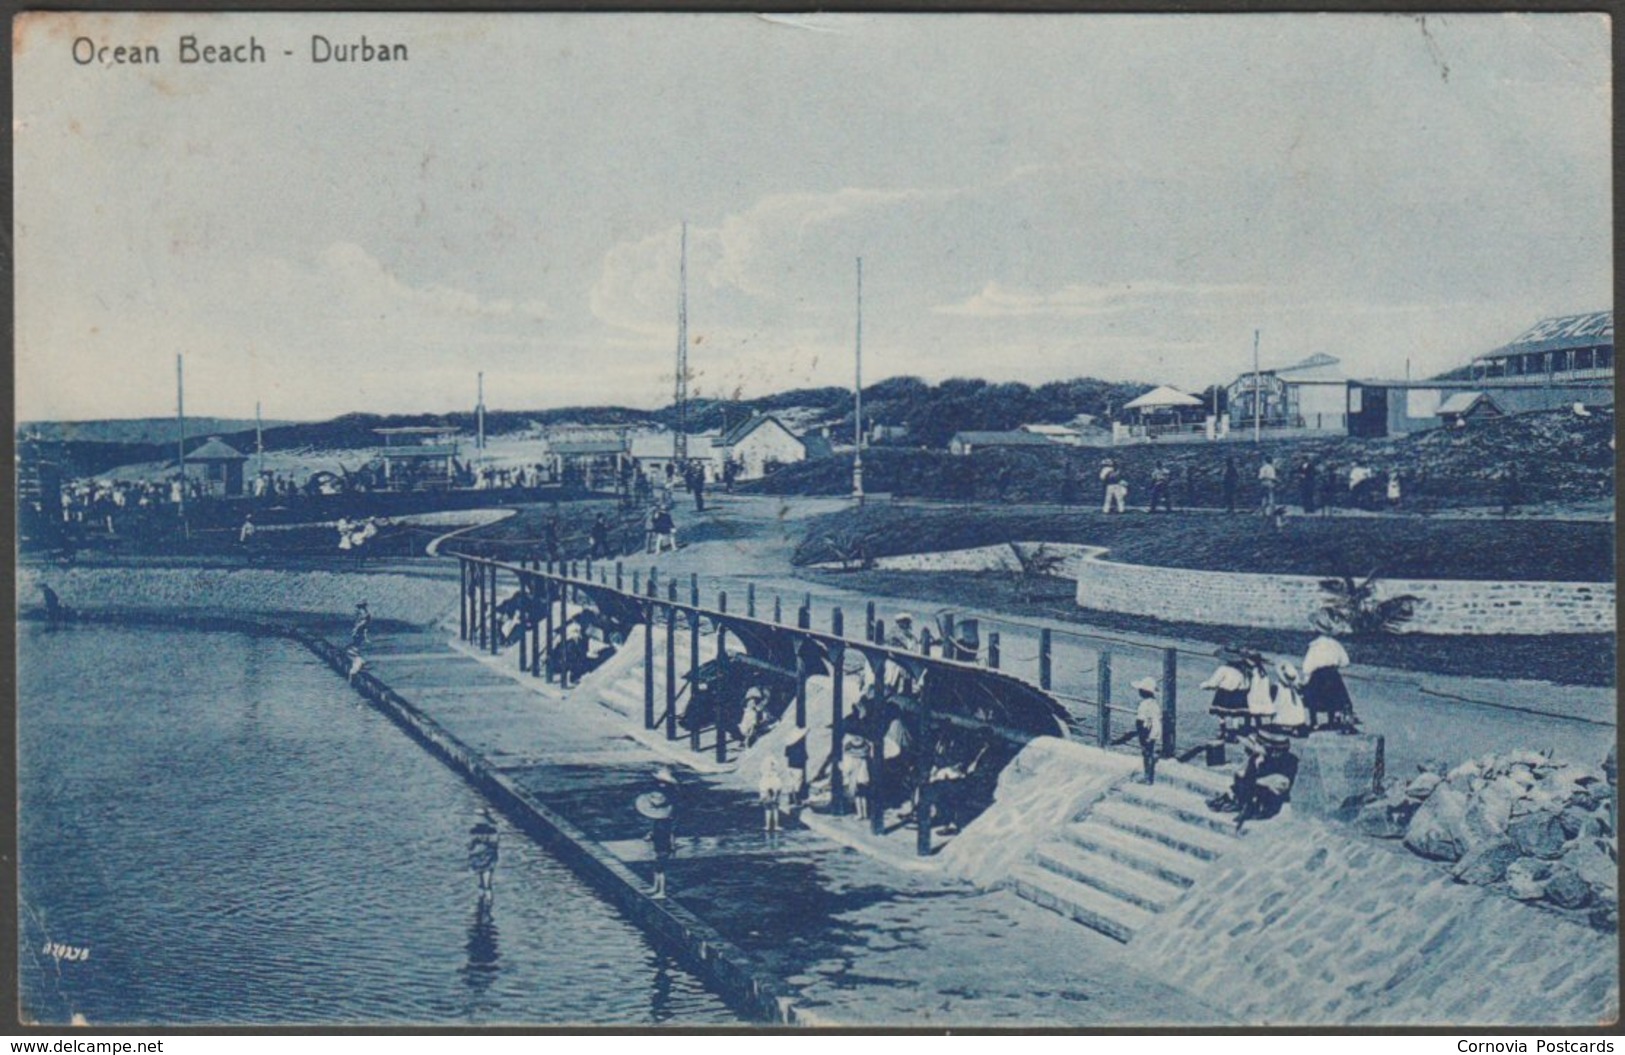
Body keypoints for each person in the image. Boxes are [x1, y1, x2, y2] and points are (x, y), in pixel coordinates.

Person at [1301, 619, 1356, 732]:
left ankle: (1314, 722)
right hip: (1332, 674)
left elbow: (1309, 665)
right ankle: (1330, 721)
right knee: (1332, 697)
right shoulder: (1335, 645)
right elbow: (1345, 661)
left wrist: (1306, 677)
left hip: (1319, 675)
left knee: (1313, 698)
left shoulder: (1315, 645)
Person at [1202, 647, 1253, 740]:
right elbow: (1247, 684)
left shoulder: (1223, 669)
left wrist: (1205, 685)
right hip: (1239, 694)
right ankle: (1235, 733)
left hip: (1224, 693)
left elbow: (1214, 682)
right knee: (1235, 714)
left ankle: (1222, 730)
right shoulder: (1243, 670)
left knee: (1221, 714)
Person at [635, 790, 675, 898]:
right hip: (659, 845)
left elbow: (670, 834)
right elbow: (656, 831)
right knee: (657, 868)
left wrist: (672, 846)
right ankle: (655, 887)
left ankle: (661, 892)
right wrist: (650, 835)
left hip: (664, 846)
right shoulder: (659, 821)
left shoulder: (667, 821)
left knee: (660, 869)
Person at [1132, 676, 1162, 785]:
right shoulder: (1147, 703)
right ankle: (1146, 774)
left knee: (1147, 752)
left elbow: (1155, 722)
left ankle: (1148, 777)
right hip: (1143, 729)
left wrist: (1151, 736)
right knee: (1145, 752)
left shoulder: (1151, 705)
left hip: (1147, 730)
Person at [1270, 662, 1310, 735]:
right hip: (1297, 722)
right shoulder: (1294, 691)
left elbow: (1271, 703)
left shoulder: (1276, 687)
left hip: (1280, 721)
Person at [468, 810, 500, 895]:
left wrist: (482, 841)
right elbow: (470, 846)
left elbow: (495, 844)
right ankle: (484, 900)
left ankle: (485, 900)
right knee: (483, 883)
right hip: (480, 857)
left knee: (485, 883)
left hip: (486, 857)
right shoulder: (474, 832)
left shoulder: (491, 832)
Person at [840, 735, 871, 820]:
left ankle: (859, 813)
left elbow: (848, 769)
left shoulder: (853, 760)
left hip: (856, 779)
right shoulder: (864, 759)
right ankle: (865, 813)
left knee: (858, 797)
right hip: (864, 779)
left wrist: (841, 767)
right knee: (864, 796)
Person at [758, 756, 785, 833]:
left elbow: (762, 786)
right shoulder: (776, 776)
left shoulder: (764, 776)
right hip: (775, 788)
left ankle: (767, 825)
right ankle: (776, 825)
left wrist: (762, 794)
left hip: (766, 790)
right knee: (775, 809)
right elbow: (778, 785)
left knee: (767, 809)